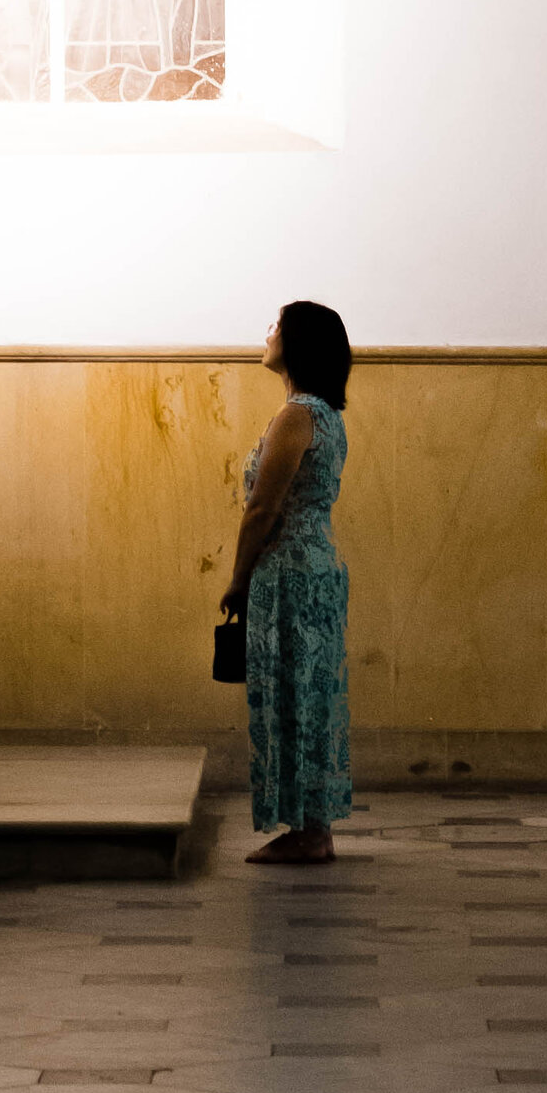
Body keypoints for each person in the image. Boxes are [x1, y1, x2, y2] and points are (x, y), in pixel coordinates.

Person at [221, 301, 354, 867]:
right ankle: (314, 827)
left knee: (291, 699)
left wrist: (237, 578)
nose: (267, 333)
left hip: (289, 574)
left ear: (297, 342)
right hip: (318, 567)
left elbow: (262, 509)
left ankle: (307, 832)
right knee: (311, 697)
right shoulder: (326, 415)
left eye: (276, 325)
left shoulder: (296, 415)